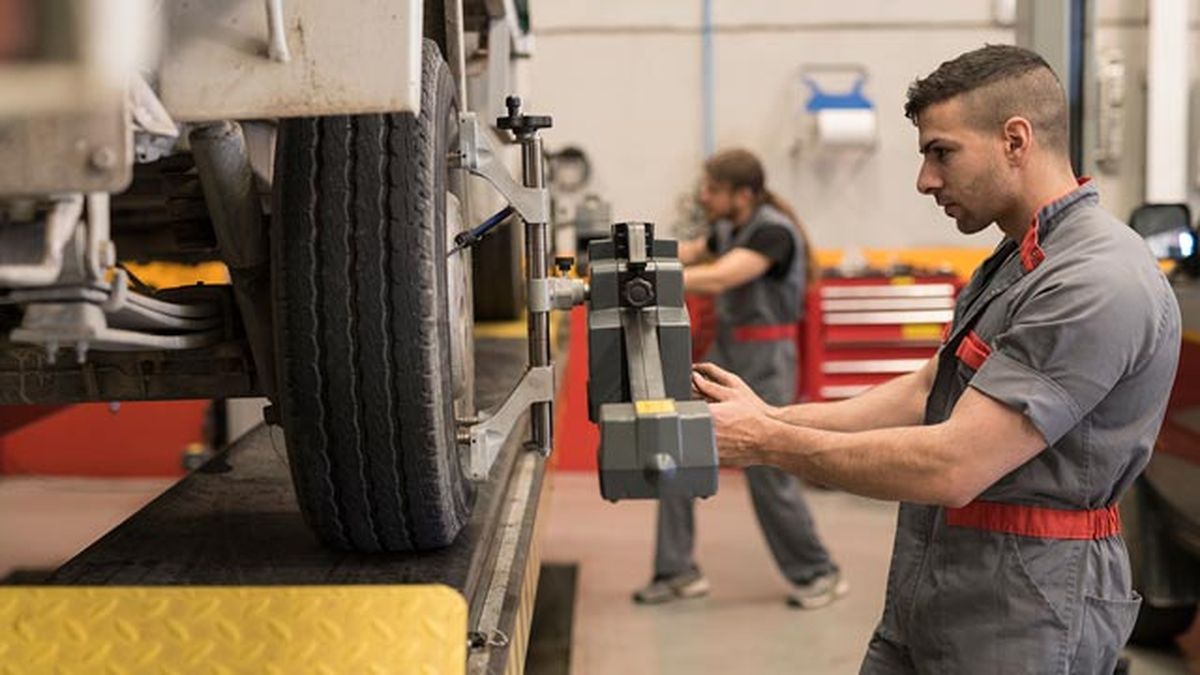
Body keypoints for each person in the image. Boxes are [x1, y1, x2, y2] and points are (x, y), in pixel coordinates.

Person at [692, 45, 1181, 673]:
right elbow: (929, 389)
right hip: (942, 583)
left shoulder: (1094, 279)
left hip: (1026, 610)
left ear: (1015, 140)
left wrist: (767, 444)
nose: (925, 179)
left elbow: (955, 465)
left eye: (941, 152)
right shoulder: (1016, 259)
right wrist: (775, 418)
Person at [632, 148, 848, 610]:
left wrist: (651, 279)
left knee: (769, 471)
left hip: (766, 359)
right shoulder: (730, 228)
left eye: (713, 189)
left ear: (742, 194)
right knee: (676, 449)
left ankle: (817, 572)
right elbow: (691, 253)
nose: (704, 196)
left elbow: (720, 277)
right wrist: (632, 259)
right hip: (726, 352)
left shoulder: (773, 232)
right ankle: (676, 571)